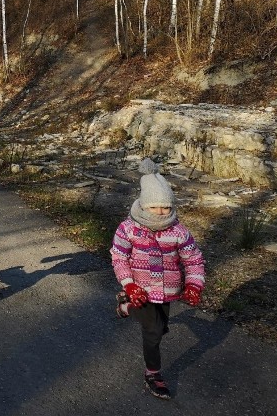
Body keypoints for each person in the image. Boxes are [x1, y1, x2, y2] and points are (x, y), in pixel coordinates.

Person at [111, 158, 205, 401]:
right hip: (138, 287)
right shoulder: (128, 228)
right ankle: (153, 374)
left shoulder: (179, 232)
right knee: (152, 331)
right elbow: (119, 257)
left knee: (161, 328)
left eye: (165, 207)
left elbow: (193, 259)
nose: (160, 212)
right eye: (154, 207)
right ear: (143, 205)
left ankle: (125, 306)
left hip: (166, 290)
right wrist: (129, 284)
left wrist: (194, 283)